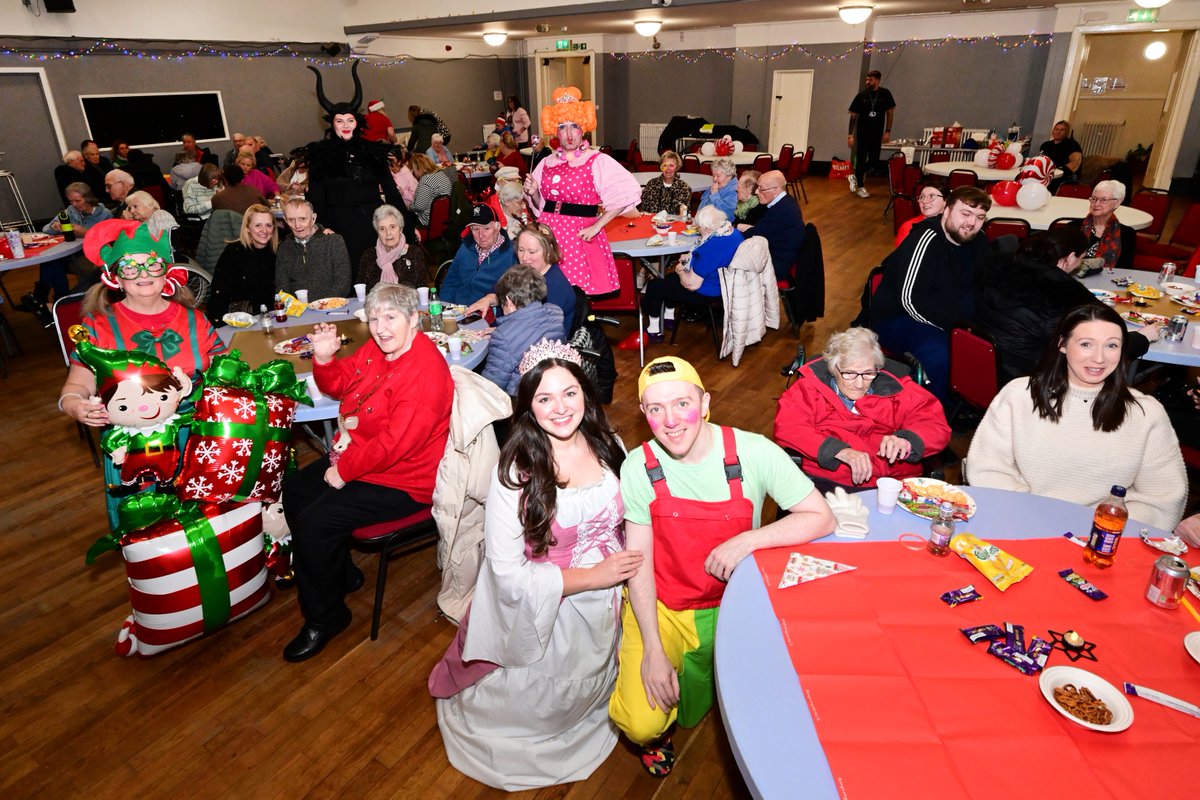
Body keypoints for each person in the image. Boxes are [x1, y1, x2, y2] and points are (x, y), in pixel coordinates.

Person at [610, 356, 835, 776]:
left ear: (705, 401)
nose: (671, 420)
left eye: (681, 404)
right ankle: (656, 738)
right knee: (641, 721)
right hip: (666, 609)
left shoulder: (754, 452)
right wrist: (653, 649)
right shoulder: (638, 467)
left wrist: (750, 538)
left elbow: (821, 516)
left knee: (782, 706)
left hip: (736, 606)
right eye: (655, 409)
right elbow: (638, 564)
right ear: (644, 414)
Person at [430, 342, 633, 790]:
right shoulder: (516, 472)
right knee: (542, 691)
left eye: (569, 393)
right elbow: (507, 571)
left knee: (595, 671)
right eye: (544, 398)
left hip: (609, 594)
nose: (560, 408)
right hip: (550, 602)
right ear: (528, 406)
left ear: (586, 393)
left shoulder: (610, 444)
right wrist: (595, 577)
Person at [281, 283, 453, 662]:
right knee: (295, 490)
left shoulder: (424, 369)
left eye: (390, 317)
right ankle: (339, 573)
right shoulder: (379, 349)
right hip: (364, 457)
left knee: (315, 522)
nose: (380, 327)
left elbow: (397, 444)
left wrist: (344, 472)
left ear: (414, 319)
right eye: (374, 318)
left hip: (405, 480)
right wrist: (324, 359)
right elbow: (342, 384)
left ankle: (326, 617)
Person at [58, 219, 226, 528]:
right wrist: (75, 405)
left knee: (207, 532)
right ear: (116, 279)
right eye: (130, 268)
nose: (143, 274)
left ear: (166, 273)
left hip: (198, 442)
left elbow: (227, 371)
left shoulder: (196, 321)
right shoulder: (98, 326)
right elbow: (76, 385)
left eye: (151, 264)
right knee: (154, 542)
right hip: (135, 452)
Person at [966, 303, 1185, 531]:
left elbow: (1162, 499)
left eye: (1111, 345)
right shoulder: (1019, 395)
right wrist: (1033, 518)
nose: (1099, 358)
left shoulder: (1145, 413)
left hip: (1102, 539)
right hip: (1019, 523)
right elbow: (988, 469)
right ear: (1062, 345)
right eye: (1086, 344)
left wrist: (1098, 528)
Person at [774, 327, 950, 492]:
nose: (859, 384)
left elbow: (934, 424)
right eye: (849, 374)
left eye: (868, 373)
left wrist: (907, 440)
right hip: (831, 482)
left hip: (893, 484)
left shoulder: (901, 390)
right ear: (833, 368)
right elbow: (790, 427)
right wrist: (838, 451)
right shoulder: (809, 390)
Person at [974, 226, 1158, 383]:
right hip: (1031, 381)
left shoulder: (1000, 272)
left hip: (981, 370)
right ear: (1070, 258)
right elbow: (1104, 345)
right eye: (1080, 259)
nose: (1079, 264)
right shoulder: (1062, 297)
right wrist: (1142, 338)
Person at [870, 185, 992, 402]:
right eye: (965, 213)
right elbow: (909, 299)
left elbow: (981, 285)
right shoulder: (925, 239)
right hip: (898, 316)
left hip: (946, 312)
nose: (971, 223)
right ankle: (933, 413)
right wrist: (954, 327)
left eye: (979, 217)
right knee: (940, 353)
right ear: (946, 211)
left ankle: (967, 401)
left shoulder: (978, 240)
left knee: (991, 339)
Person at [523, 86, 640, 295]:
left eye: (574, 126)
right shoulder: (547, 162)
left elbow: (627, 192)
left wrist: (598, 225)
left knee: (575, 295)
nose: (568, 134)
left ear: (583, 129)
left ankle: (581, 328)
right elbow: (543, 206)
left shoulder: (596, 160)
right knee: (549, 292)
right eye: (562, 127)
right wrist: (534, 192)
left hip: (578, 237)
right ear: (555, 132)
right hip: (548, 236)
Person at [305, 61, 409, 269]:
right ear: (332, 124)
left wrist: (406, 225)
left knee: (376, 274)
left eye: (350, 120)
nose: (345, 126)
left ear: (357, 122)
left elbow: (392, 193)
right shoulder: (321, 157)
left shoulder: (372, 153)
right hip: (338, 229)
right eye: (340, 121)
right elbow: (317, 199)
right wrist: (322, 228)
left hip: (373, 227)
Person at [635, 206, 743, 344]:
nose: (698, 230)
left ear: (707, 228)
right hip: (727, 286)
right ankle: (669, 318)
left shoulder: (710, 247)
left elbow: (691, 285)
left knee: (655, 287)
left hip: (708, 293)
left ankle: (654, 330)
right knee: (669, 279)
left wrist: (680, 269)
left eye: (700, 228)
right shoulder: (733, 234)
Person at [465, 224, 575, 328]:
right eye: (521, 250)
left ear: (549, 250)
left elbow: (537, 333)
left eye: (532, 252)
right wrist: (489, 299)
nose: (525, 258)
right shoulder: (523, 271)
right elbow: (499, 290)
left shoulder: (557, 290)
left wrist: (498, 332)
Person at [481, 266, 567, 396]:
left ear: (509, 301)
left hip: (521, 397)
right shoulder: (555, 313)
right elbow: (530, 330)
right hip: (552, 384)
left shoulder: (503, 337)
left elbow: (491, 387)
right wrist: (505, 331)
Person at [29, 183, 112, 309]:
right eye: (71, 201)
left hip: (88, 254)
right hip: (71, 252)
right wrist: (54, 227)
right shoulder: (70, 211)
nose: (74, 204)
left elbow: (108, 239)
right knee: (52, 262)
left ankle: (48, 299)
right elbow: (45, 230)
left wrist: (85, 232)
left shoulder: (104, 214)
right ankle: (58, 301)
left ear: (88, 198)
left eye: (77, 201)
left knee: (54, 264)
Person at [207, 203, 278, 322]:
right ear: (247, 228)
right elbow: (219, 293)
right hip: (240, 318)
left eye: (268, 225)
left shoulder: (277, 251)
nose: (264, 230)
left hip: (270, 315)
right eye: (257, 225)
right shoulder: (234, 252)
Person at [439, 204, 515, 306]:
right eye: (476, 229)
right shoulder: (465, 248)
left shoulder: (511, 254)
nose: (481, 235)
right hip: (457, 311)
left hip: (487, 314)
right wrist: (445, 308)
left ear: (497, 227)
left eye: (486, 229)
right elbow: (450, 282)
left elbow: (513, 295)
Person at [276, 198, 352, 299]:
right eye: (291, 220)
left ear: (313, 218)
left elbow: (343, 282)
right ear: (285, 220)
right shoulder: (284, 248)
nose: (297, 225)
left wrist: (323, 305)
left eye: (302, 219)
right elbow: (282, 288)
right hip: (298, 312)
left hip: (331, 308)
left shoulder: (333, 241)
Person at [738, 169, 804, 282]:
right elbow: (764, 230)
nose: (757, 192)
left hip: (776, 265)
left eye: (761, 188)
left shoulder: (780, 211)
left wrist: (731, 231)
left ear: (775, 190)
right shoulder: (787, 202)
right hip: (782, 256)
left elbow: (751, 236)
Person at [847, 69, 896, 198]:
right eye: (867, 79)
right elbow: (853, 116)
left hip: (877, 134)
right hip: (862, 134)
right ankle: (861, 187)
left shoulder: (885, 94)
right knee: (862, 159)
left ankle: (854, 176)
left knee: (874, 160)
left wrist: (887, 131)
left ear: (877, 80)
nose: (867, 82)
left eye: (871, 79)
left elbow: (890, 112)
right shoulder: (861, 96)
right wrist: (850, 135)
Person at [357, 204, 428, 290]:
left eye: (392, 227)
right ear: (377, 233)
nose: (388, 233)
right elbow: (360, 291)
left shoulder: (414, 253)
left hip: (408, 302)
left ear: (401, 229)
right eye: (382, 229)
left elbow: (422, 289)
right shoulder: (369, 255)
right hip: (375, 302)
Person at [1080, 179, 1134, 273]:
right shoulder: (1074, 227)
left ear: (1117, 203)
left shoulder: (1127, 234)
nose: (1096, 204)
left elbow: (1125, 270)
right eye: (1094, 198)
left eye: (1103, 200)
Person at [639, 151, 692, 216]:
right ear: (661, 167)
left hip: (674, 224)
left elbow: (686, 214)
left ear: (677, 167)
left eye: (671, 166)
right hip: (652, 223)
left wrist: (683, 212)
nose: (668, 169)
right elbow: (643, 209)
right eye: (665, 165)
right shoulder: (652, 184)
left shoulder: (683, 187)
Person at [409, 153, 455, 227]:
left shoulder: (426, 180)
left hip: (427, 220)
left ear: (418, 168)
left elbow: (420, 207)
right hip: (442, 217)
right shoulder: (441, 174)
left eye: (413, 169)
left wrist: (409, 206)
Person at [894, 181, 946, 246]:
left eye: (932, 196)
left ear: (946, 201)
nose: (924, 201)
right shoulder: (908, 228)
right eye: (922, 197)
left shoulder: (954, 226)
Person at [1039, 120, 1083, 184]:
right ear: (1053, 131)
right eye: (1056, 129)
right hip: (1047, 175)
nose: (1058, 132)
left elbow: (1074, 165)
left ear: (1066, 132)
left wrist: (1057, 171)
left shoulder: (1073, 145)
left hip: (1064, 178)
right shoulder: (1046, 145)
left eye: (1062, 130)